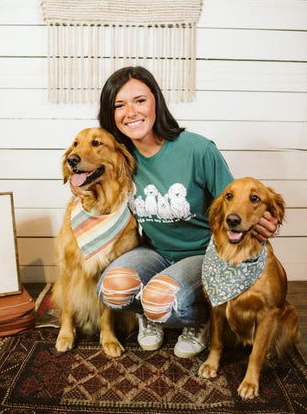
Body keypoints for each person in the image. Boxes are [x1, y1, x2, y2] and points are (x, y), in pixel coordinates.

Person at [97, 66, 278, 358]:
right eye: (119, 105)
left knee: (161, 301)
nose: (130, 111)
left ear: (156, 101)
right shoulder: (120, 159)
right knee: (113, 288)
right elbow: (96, 192)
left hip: (202, 254)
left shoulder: (198, 149)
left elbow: (235, 203)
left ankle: (200, 321)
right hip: (155, 251)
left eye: (139, 100)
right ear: (111, 113)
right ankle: (149, 314)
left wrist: (263, 221)